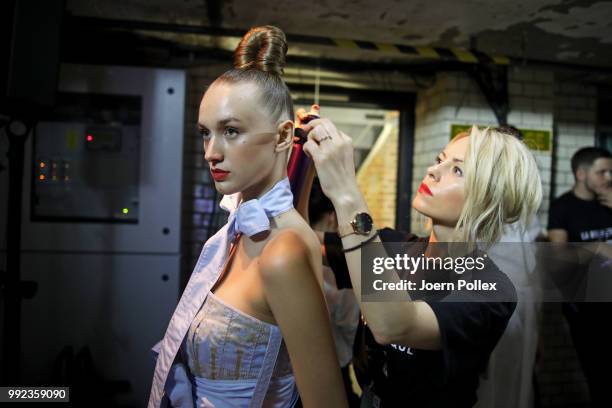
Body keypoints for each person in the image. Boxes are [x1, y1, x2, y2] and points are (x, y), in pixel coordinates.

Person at [148, 26, 347, 408]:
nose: (211, 152)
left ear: (281, 136)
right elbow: (296, 216)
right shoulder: (244, 232)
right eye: (206, 134)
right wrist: (300, 168)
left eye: (231, 131)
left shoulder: (282, 253)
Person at [302, 124, 542, 407]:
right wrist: (302, 162)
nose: (433, 171)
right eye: (440, 160)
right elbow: (298, 240)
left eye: (458, 170)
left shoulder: (492, 291)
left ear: (489, 197)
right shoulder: (393, 245)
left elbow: (393, 325)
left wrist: (347, 193)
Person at [547, 147, 612, 407]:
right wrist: (595, 248)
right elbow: (558, 255)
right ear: (581, 174)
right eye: (602, 171)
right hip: (587, 304)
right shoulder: (563, 207)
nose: (608, 177)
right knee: (599, 375)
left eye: (611, 171)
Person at [308, 179, 361, 407]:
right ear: (332, 216)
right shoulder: (343, 267)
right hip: (334, 378)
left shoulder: (279, 252)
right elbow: (351, 330)